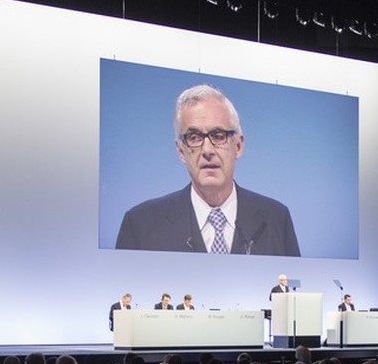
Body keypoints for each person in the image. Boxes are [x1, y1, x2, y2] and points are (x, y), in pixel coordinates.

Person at [114, 84, 301, 255]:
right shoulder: (139, 225)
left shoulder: (276, 219)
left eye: (219, 136)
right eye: (194, 137)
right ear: (181, 151)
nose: (207, 150)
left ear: (238, 146)